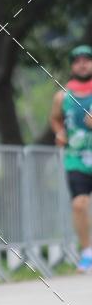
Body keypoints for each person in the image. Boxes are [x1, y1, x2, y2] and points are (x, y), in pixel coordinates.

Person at [50, 44, 92, 272]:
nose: (82, 64)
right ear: (72, 66)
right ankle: (87, 252)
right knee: (78, 204)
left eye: (87, 60)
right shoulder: (62, 96)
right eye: (77, 61)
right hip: (76, 158)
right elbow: (55, 119)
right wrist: (59, 133)